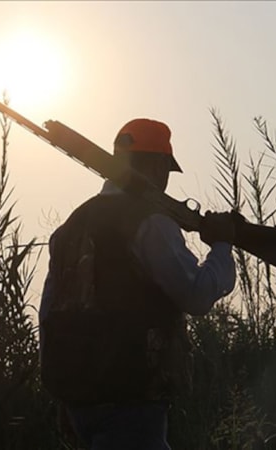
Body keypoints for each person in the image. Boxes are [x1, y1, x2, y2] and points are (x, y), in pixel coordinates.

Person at [38, 118, 238, 450]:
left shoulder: (70, 227)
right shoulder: (150, 222)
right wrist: (222, 245)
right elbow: (197, 296)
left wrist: (63, 393)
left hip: (79, 400)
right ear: (158, 165)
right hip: (131, 396)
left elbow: (50, 315)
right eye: (165, 170)